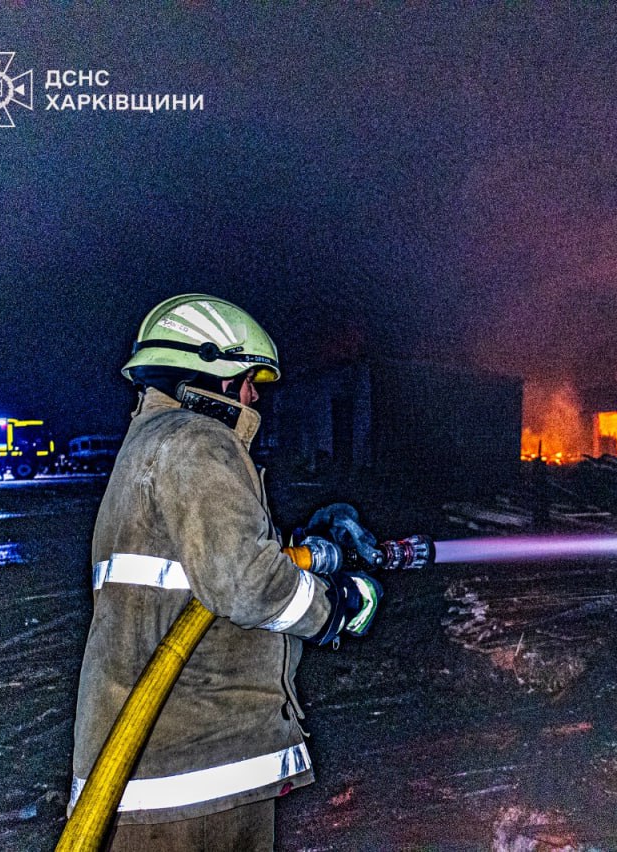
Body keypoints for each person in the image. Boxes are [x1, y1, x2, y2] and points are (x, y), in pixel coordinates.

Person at [69, 294, 382, 851]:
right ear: (206, 370)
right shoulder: (197, 441)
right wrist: (335, 607)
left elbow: (211, 564)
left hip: (157, 760)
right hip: (193, 764)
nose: (254, 394)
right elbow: (244, 581)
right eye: (246, 378)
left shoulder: (152, 443)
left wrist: (307, 545)